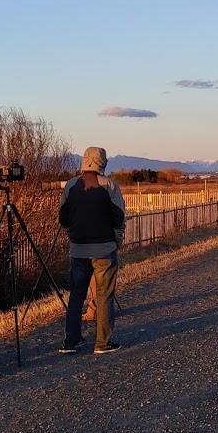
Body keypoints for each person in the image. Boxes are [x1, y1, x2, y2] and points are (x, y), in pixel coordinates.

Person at [58, 146, 125, 354]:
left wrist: (73, 235)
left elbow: (63, 217)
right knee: (104, 295)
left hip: (78, 249)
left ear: (84, 161)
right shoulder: (109, 185)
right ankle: (102, 343)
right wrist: (117, 239)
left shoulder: (70, 186)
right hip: (104, 249)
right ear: (102, 163)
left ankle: (71, 341)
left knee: (76, 295)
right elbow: (119, 217)